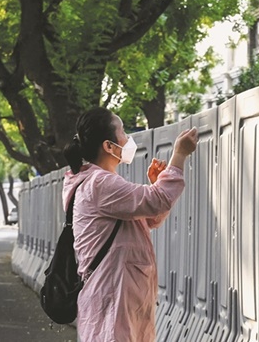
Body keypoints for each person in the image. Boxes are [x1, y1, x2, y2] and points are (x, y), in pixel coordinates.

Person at [62, 107, 198, 341]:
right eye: (123, 131)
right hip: (113, 297)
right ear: (108, 146)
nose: (127, 138)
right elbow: (157, 201)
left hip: (118, 296)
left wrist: (156, 184)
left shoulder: (98, 181)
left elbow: (149, 217)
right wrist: (179, 156)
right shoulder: (100, 184)